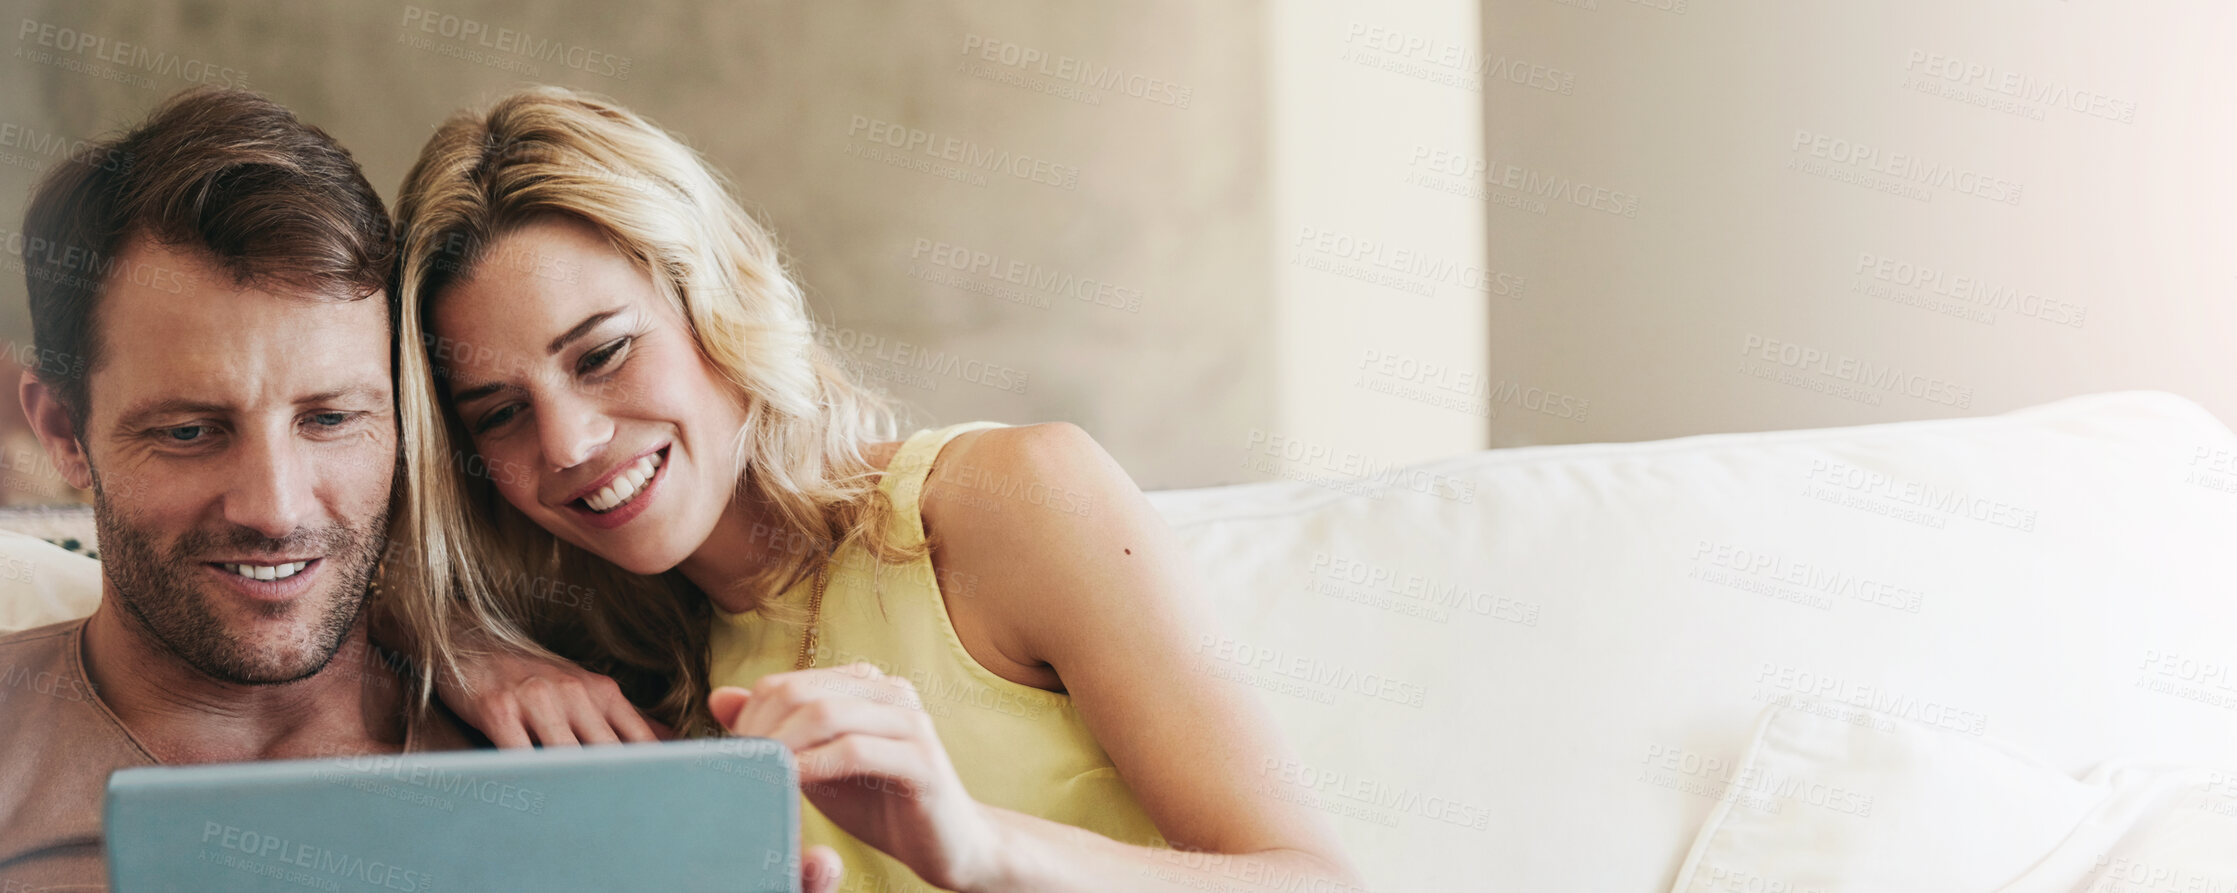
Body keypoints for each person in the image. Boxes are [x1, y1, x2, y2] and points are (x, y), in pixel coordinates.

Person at [390, 86, 1366, 893]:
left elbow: (1316, 880)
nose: (569, 440)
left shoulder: (1009, 499)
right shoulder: (618, 681)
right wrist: (465, 650)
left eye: (602, 352)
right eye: (497, 413)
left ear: (714, 297)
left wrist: (979, 847)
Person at [0, 86, 844, 892]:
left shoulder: (580, 766)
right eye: (189, 432)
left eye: (331, 419)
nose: (277, 507)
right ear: (63, 430)